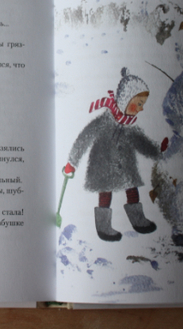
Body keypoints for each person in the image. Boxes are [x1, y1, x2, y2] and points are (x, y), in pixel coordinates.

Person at [64, 68, 168, 242]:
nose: (141, 108)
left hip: (126, 165)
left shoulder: (130, 127)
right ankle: (103, 227)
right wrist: (72, 161)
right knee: (105, 193)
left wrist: (158, 151)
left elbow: (142, 143)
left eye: (142, 104)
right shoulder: (103, 122)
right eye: (139, 103)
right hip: (103, 165)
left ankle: (138, 220)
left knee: (132, 189)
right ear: (126, 100)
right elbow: (84, 138)